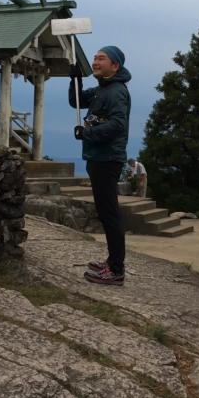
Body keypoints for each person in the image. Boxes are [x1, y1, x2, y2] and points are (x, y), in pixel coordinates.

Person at [69, 46, 131, 286]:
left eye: (101, 58)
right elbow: (76, 101)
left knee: (109, 214)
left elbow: (117, 125)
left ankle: (116, 270)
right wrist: (75, 79)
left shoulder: (116, 92)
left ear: (115, 66)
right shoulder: (101, 90)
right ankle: (112, 261)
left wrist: (88, 133)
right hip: (97, 157)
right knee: (106, 212)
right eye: (95, 58)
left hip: (107, 158)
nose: (95, 61)